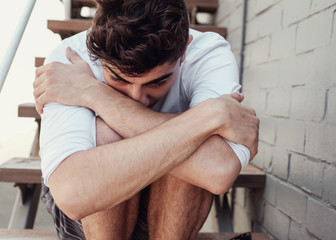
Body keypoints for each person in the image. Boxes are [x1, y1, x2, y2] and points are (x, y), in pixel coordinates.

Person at [33, 0, 259, 239]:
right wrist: (204, 119)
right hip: (94, 216)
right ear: (93, 49)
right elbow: (73, 194)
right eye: (119, 79)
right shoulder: (69, 60)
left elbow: (218, 170)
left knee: (191, 150)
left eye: (157, 82)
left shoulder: (208, 52)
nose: (137, 97)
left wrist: (98, 95)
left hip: (171, 212)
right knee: (110, 136)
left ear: (184, 50)